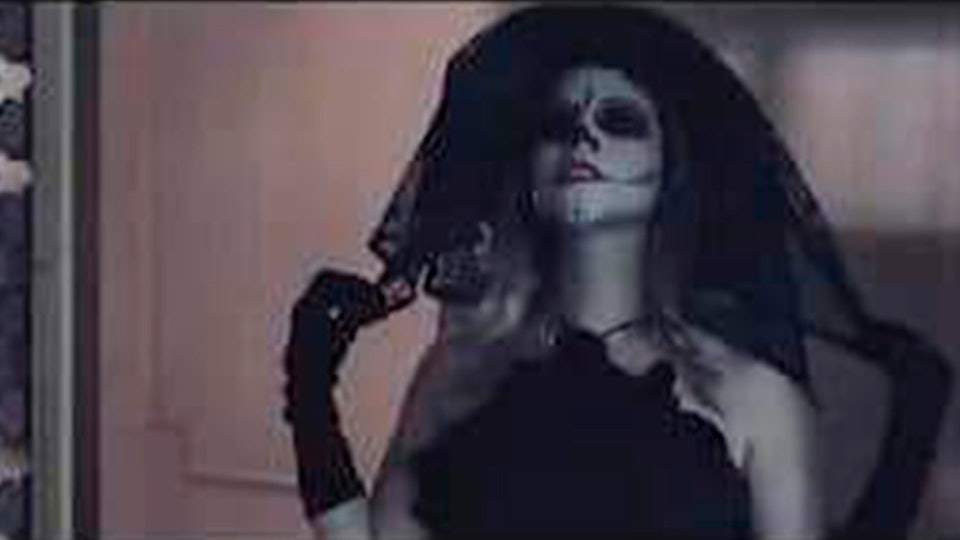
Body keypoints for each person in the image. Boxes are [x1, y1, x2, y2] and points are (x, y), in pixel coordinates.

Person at [281, 5, 953, 539]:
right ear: (528, 172)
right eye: (558, 124)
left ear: (668, 171)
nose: (584, 139)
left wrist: (907, 448)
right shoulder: (460, 368)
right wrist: (311, 397)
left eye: (620, 121)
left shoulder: (756, 398)